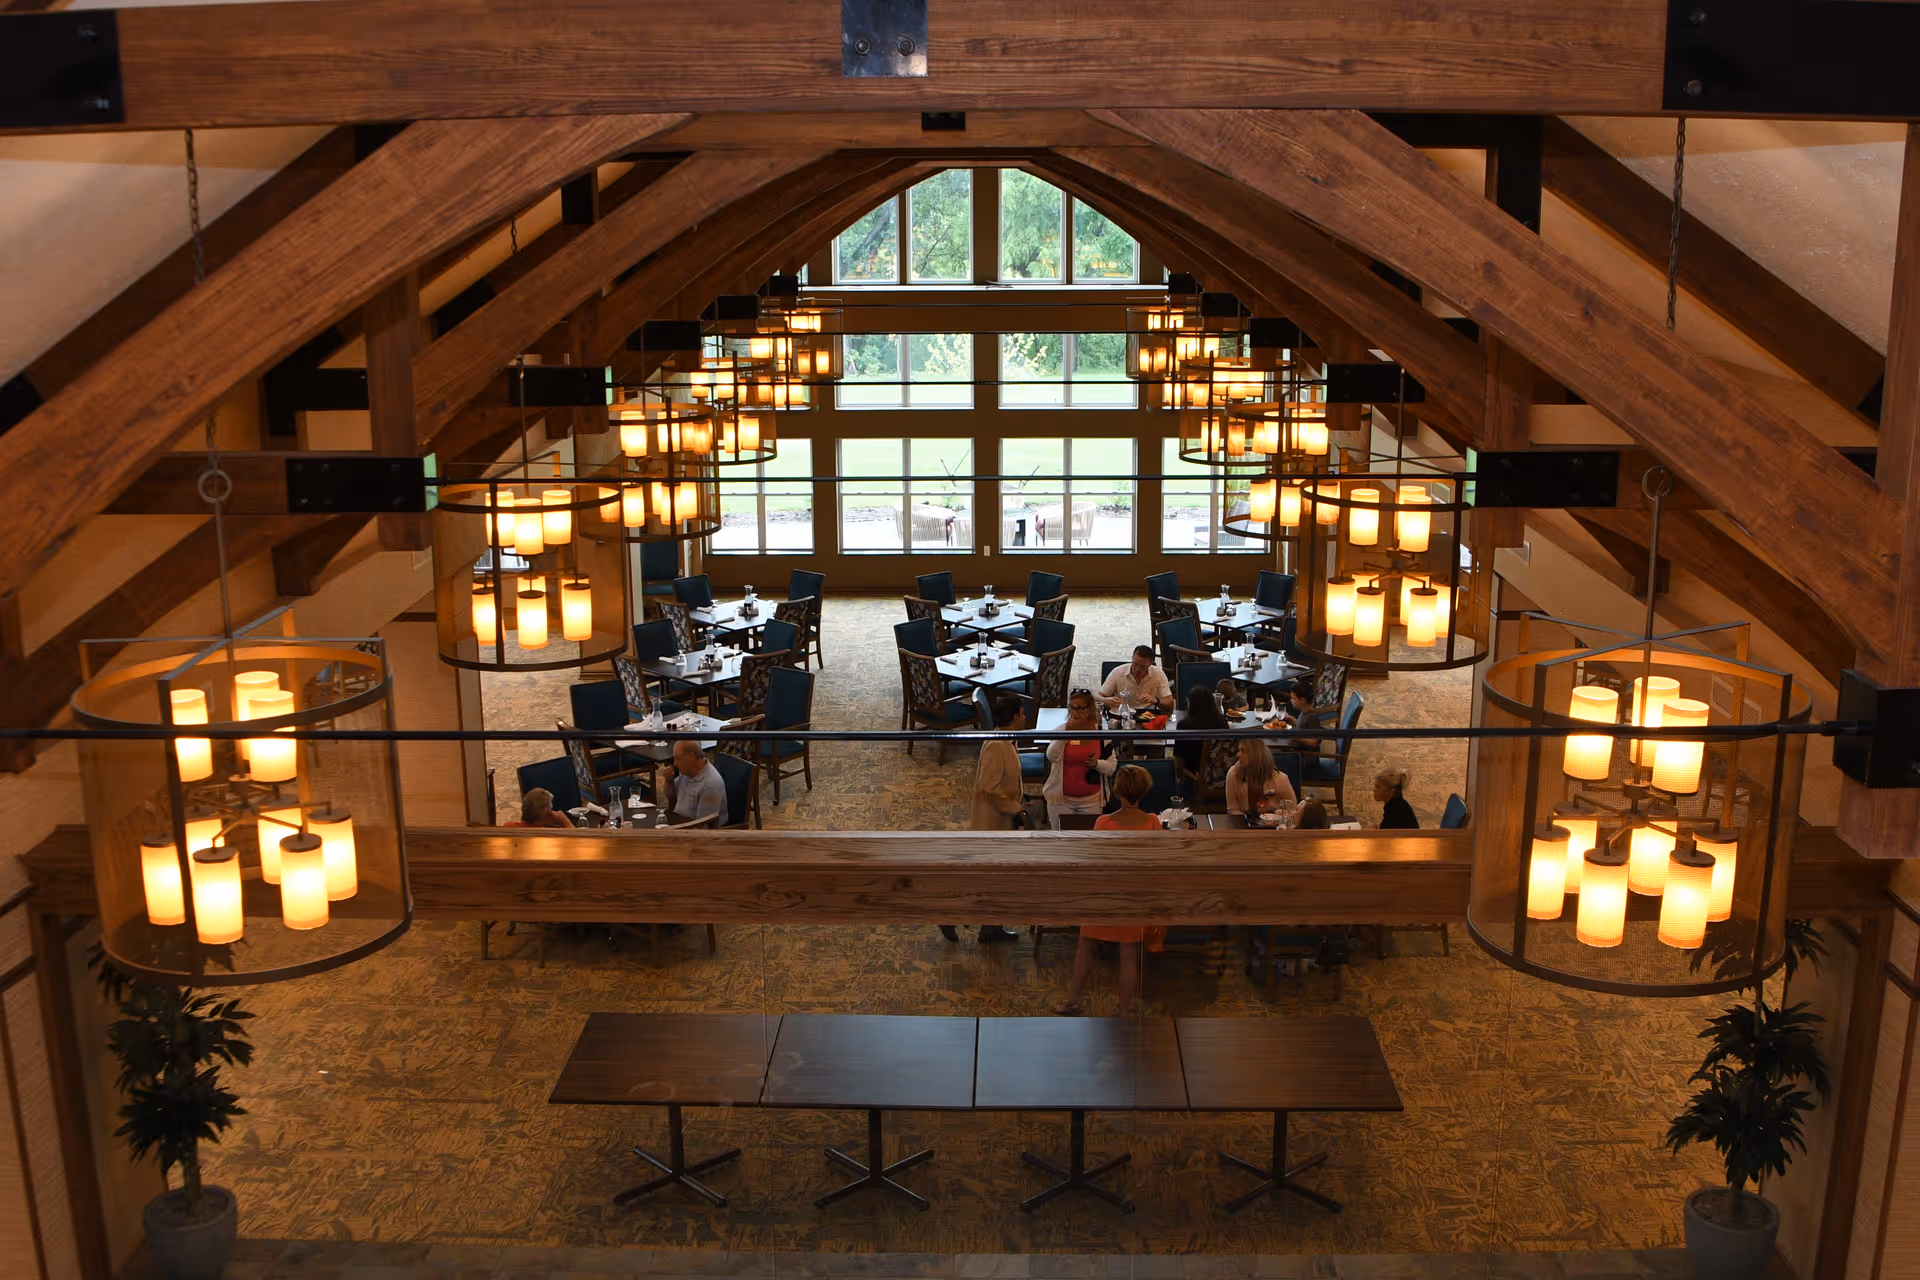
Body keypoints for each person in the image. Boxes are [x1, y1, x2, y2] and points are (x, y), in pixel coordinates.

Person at [1055, 768, 1161, 1016]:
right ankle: (1123, 1010)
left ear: (1118, 791)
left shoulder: (1104, 823)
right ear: (1144, 791)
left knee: (1085, 945)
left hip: (1105, 897)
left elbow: (1094, 863)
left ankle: (1073, 1001)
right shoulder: (1153, 823)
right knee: (1128, 955)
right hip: (1134, 900)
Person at [941, 693, 1025, 944]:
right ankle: (950, 914)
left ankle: (991, 929)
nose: (1025, 717)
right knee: (986, 878)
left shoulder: (1006, 740)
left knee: (995, 879)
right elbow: (988, 786)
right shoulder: (996, 745)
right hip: (992, 822)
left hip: (1000, 821)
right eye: (1022, 713)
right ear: (1014, 718)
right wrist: (1015, 808)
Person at [1042, 688, 1117, 829]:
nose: (1076, 712)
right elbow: (1051, 756)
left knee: (1089, 838)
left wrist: (1097, 764)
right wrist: (1066, 734)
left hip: (1092, 800)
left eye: (1080, 708)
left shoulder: (1101, 733)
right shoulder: (1061, 730)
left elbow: (1111, 766)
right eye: (1072, 708)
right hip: (1061, 800)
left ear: (1090, 709)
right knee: (1060, 838)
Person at [1226, 739, 1298, 823]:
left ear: (1255, 754)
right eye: (1239, 750)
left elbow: (1292, 810)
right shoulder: (1233, 775)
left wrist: (1278, 815)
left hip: (1274, 825)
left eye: (1243, 751)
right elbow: (1233, 810)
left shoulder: (1280, 779)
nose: (1238, 755)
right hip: (1244, 825)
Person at [1096, 644, 1174, 713]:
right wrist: (1106, 701)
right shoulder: (1118, 672)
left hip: (1148, 714)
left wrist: (1156, 701)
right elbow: (1096, 697)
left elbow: (1170, 704)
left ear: (1150, 664)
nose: (1137, 669)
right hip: (1123, 713)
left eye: (1143, 666)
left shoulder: (1158, 674)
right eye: (1135, 664)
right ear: (1132, 658)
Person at [663, 740, 726, 824]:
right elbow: (671, 796)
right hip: (680, 821)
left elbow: (703, 825)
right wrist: (669, 781)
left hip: (692, 827)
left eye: (677, 759)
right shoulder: (687, 773)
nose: (675, 763)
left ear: (691, 757)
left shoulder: (710, 785)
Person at [1174, 681, 1228, 776]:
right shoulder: (1221, 720)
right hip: (1219, 773)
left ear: (1191, 704)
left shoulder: (1184, 726)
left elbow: (1179, 759)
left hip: (1193, 774)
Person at [1281, 676, 1324, 752]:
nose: (1291, 701)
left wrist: (1297, 738)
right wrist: (1292, 719)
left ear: (1302, 701)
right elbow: (1303, 727)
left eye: (1293, 698)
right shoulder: (1304, 712)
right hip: (1299, 752)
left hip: (1305, 756)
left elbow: (1314, 742)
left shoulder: (1312, 717)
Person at [503, 787, 573, 829]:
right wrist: (563, 819)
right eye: (550, 809)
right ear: (546, 815)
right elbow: (577, 840)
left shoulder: (508, 827)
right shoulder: (550, 834)